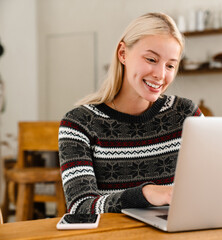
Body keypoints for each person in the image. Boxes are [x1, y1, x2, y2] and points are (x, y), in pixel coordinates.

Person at [58, 12, 203, 214]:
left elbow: (209, 187)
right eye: (151, 59)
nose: (160, 75)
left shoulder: (185, 114)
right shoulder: (79, 123)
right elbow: (80, 208)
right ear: (123, 54)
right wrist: (144, 194)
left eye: (170, 65)